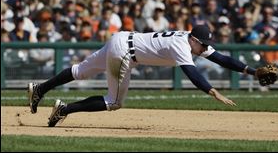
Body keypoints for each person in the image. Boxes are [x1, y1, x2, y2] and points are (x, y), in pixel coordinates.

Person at [29, 25, 261, 127]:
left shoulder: (191, 41)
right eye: (204, 45)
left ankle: (40, 89)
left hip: (120, 39)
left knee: (79, 71)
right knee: (114, 102)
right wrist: (213, 91)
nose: (206, 48)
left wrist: (251, 71)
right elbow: (192, 74)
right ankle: (63, 109)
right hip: (125, 53)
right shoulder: (182, 45)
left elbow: (222, 59)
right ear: (194, 40)